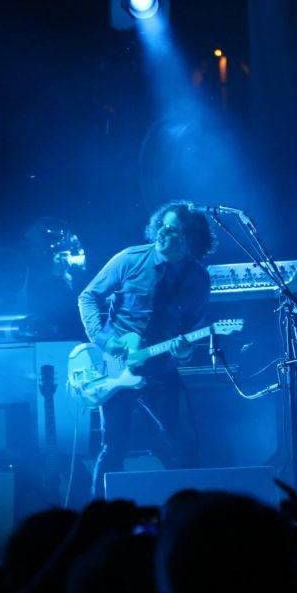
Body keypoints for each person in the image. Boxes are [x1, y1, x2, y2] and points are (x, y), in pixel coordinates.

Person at [78, 201, 214, 495]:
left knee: (185, 446)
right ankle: (99, 516)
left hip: (161, 368)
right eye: (162, 227)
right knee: (114, 446)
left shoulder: (199, 279)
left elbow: (190, 331)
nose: (164, 234)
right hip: (117, 366)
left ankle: (186, 517)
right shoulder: (130, 259)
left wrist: (184, 351)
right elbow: (87, 297)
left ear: (191, 238)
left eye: (174, 230)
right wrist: (104, 340)